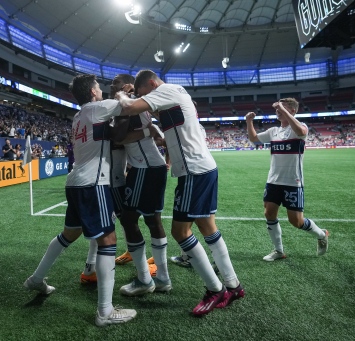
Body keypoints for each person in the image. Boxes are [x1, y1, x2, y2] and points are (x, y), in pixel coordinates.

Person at [115, 69, 244, 316]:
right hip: (204, 167)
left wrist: (124, 95)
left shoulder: (166, 90)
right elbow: (159, 115)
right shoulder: (174, 94)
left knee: (180, 231)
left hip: (193, 171)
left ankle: (214, 290)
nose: (146, 101)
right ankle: (233, 285)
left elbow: (131, 108)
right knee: (209, 229)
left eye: (144, 93)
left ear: (152, 84)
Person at [23, 74, 136, 327]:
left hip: (74, 182)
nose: (102, 90)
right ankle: (105, 312)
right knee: (108, 240)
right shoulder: (99, 108)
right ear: (94, 92)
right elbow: (129, 106)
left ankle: (36, 278)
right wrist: (124, 92)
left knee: (68, 235)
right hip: (93, 184)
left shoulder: (78, 116)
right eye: (99, 87)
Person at [107, 74, 171, 297]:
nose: (112, 87)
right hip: (151, 167)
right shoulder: (137, 104)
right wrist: (149, 131)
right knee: (153, 220)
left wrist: (147, 131)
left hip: (145, 169)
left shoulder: (129, 104)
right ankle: (162, 278)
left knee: (129, 219)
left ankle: (145, 279)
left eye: (115, 83)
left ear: (125, 85)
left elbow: (117, 138)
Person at [245, 98, 329, 262]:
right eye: (278, 107)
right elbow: (254, 139)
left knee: (296, 221)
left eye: (284, 107)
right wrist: (249, 122)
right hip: (273, 181)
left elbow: (302, 132)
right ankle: (278, 251)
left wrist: (282, 109)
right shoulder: (273, 131)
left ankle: (322, 234)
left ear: (293, 111)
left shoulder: (300, 127)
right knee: (269, 213)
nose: (279, 109)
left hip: (293, 182)